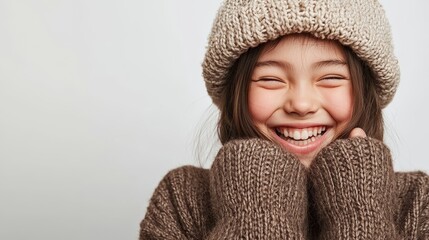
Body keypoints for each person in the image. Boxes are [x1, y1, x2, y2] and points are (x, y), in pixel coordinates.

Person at [140, 0, 429, 239]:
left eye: (330, 78)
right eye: (270, 79)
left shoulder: (416, 200)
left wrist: (359, 212)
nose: (301, 104)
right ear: (237, 92)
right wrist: (256, 211)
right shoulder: (183, 198)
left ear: (366, 91)